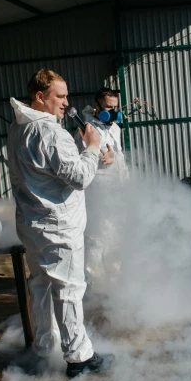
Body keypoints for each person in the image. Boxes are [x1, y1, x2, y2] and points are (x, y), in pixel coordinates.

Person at [7, 69, 112, 377]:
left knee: (40, 285)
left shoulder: (18, 128)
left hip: (31, 223)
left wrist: (81, 150)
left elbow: (52, 168)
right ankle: (79, 358)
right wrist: (92, 147)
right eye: (60, 96)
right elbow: (79, 178)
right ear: (40, 97)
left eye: (66, 95)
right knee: (69, 289)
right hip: (58, 226)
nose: (66, 102)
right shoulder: (51, 133)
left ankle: (44, 348)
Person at [75, 88, 129, 281]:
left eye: (115, 107)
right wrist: (101, 157)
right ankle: (94, 281)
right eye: (108, 107)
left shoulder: (115, 127)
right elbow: (81, 158)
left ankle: (114, 279)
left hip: (117, 192)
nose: (113, 112)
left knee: (116, 236)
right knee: (96, 238)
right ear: (97, 106)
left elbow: (119, 159)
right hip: (97, 193)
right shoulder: (86, 128)